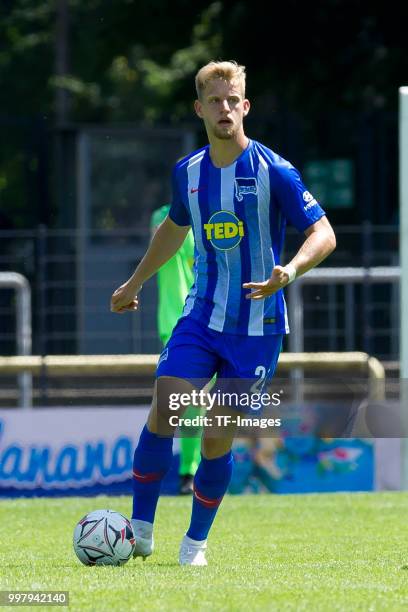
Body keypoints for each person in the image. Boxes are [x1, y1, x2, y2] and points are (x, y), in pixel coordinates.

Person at [111, 60, 336, 566]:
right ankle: (140, 531)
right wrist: (134, 282)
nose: (225, 108)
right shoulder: (187, 174)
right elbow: (173, 229)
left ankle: (194, 544)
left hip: (257, 329)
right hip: (201, 319)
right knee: (165, 407)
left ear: (246, 106)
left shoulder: (274, 169)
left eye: (233, 99)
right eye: (215, 100)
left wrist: (291, 270)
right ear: (200, 108)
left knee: (216, 435)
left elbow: (324, 233)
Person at [150, 204, 202, 494]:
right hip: (177, 320)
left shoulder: (219, 212)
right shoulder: (165, 215)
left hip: (211, 319)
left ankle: (193, 471)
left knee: (199, 403)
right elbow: (160, 240)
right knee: (188, 399)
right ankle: (188, 472)